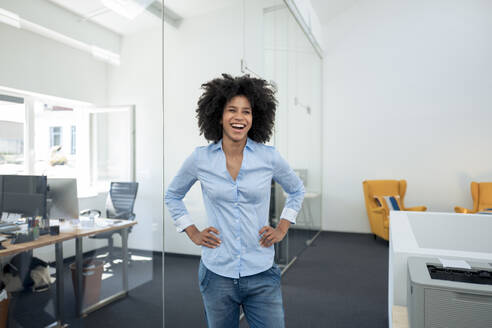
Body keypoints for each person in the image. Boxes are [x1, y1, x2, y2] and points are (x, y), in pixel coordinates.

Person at [165, 74, 305, 328]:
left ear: (255, 118)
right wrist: (193, 232)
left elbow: (296, 190)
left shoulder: (269, 157)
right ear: (219, 115)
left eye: (247, 112)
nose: (239, 117)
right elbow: (173, 195)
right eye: (232, 110)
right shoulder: (200, 159)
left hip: (261, 270)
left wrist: (283, 227)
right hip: (217, 272)